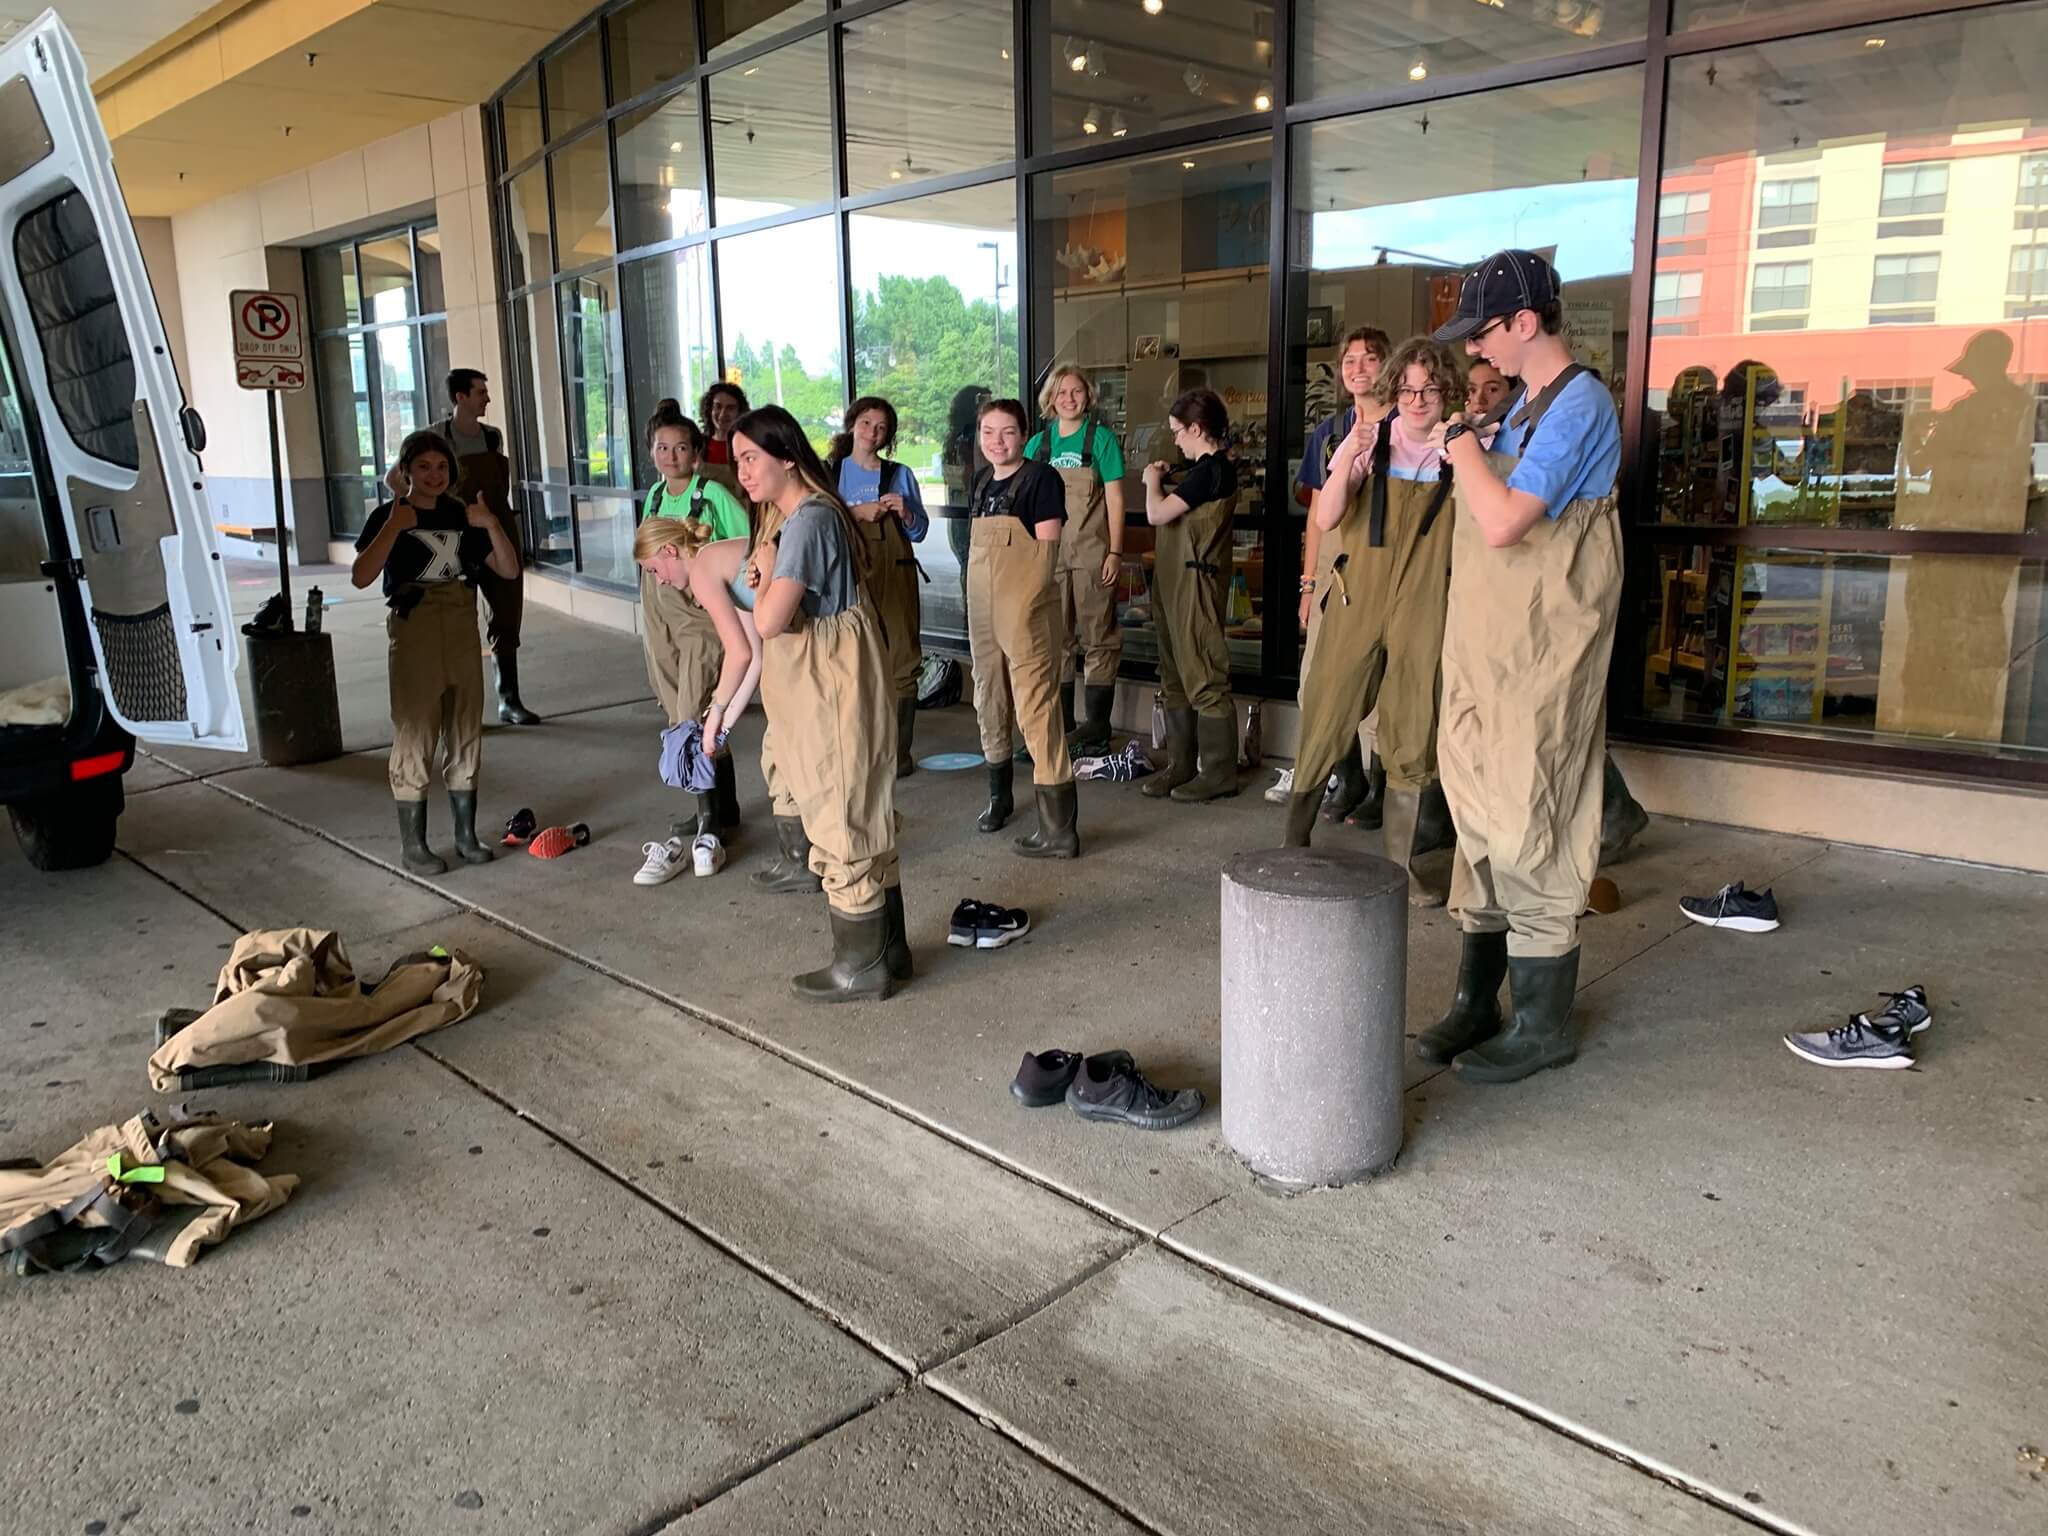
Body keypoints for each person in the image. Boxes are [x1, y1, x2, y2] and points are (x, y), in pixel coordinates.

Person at [1424, 250, 1622, 1085]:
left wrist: (1464, 450)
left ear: (1527, 323)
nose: (1477, 353)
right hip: (1485, 647)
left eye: (1485, 334)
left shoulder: (1579, 405)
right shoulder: (1530, 408)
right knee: (1476, 810)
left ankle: (1543, 1022)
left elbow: (1505, 520)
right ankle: (1478, 1001)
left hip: (1540, 653)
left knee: (1531, 809)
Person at [732, 404, 910, 1001]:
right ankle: (890, 950)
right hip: (835, 679)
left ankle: (858, 966)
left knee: (840, 814)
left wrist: (760, 569)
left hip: (826, 683)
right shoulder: (818, 510)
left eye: (751, 458)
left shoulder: (805, 522)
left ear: (787, 456)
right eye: (737, 461)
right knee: (863, 808)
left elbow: (771, 620)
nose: (743, 474)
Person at [1283, 338, 1461, 906]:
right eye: (1407, 388)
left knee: (1413, 722)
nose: (1417, 399)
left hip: (1425, 600)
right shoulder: (1367, 440)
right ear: (1393, 391)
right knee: (1328, 709)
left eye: (1429, 389)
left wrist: (1468, 454)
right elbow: (1327, 513)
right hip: (1358, 595)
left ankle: (1401, 868)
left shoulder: (1463, 450)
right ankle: (1293, 846)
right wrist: (1349, 462)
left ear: (1445, 393)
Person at [353, 430, 520, 875]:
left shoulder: (463, 515)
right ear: (405, 471)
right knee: (416, 729)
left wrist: (491, 524)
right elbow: (361, 575)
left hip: (461, 624)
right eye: (423, 467)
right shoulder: (388, 515)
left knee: (465, 725)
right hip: (415, 628)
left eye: (442, 467)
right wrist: (393, 526)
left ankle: (465, 836)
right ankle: (415, 844)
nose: (434, 475)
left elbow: (507, 568)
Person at [633, 401, 753, 885]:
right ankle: (721, 808)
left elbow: (750, 547)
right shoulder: (655, 497)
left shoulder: (714, 494)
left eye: (681, 446)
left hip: (701, 609)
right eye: (662, 447)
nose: (671, 455)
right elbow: (651, 557)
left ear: (698, 452)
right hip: (659, 607)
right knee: (673, 702)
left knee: (694, 709)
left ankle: (708, 821)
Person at [386, 369, 538, 725]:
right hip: (456, 538)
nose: (487, 397)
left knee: (506, 613)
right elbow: (394, 478)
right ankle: (460, 705)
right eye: (480, 392)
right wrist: (428, 509)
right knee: (458, 618)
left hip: (496, 529)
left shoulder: (492, 437)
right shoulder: (435, 437)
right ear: (460, 398)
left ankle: (509, 699)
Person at [965, 399, 1079, 858]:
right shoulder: (979, 480)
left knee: (1036, 708)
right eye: (988, 432)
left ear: (1024, 434)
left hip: (1026, 607)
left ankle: (1059, 830)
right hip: (982, 609)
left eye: (1008, 432)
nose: (997, 441)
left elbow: (1046, 553)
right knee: (987, 696)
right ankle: (999, 798)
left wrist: (1025, 609)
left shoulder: (1041, 479)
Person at [1294, 329, 1390, 826]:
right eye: (1350, 360)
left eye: (1370, 359)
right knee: (1316, 683)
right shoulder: (1330, 432)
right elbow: (1315, 515)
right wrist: (1308, 584)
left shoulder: (1405, 427)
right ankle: (1347, 775)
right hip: (1334, 573)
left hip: (1382, 570)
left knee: (1379, 693)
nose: (1358, 368)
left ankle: (1381, 790)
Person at [1141, 388, 1241, 803]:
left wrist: (1152, 482)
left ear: (1197, 429)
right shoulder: (1198, 472)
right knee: (1175, 675)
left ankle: (1218, 771)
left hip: (1196, 584)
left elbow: (1156, 514)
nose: (1176, 440)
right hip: (1173, 581)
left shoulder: (1211, 471)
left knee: (1203, 674)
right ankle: (1181, 764)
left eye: (1178, 432)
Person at [1025, 366, 1126, 756]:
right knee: (1056, 640)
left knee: (1099, 637)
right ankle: (1063, 726)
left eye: (1076, 391)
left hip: (1092, 554)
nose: (1069, 398)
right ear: (1050, 399)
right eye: (1061, 392)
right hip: (1049, 557)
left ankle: (1097, 727)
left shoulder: (1100, 440)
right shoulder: (1037, 446)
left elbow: (1116, 499)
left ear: (1089, 396)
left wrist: (1115, 551)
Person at [829, 397, 929, 777]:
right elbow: (816, 526)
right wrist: (856, 512)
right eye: (867, 423)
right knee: (851, 660)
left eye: (882, 427)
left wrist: (904, 511)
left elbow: (919, 532)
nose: (873, 433)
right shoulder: (830, 473)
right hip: (848, 577)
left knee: (902, 660)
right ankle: (858, 749)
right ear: (852, 424)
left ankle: (898, 754)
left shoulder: (900, 474)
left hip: (897, 573)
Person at [698, 382, 750, 478]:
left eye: (730, 408)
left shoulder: (748, 446)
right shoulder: (698, 445)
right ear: (709, 409)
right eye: (718, 406)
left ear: (740, 412)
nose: (722, 414)